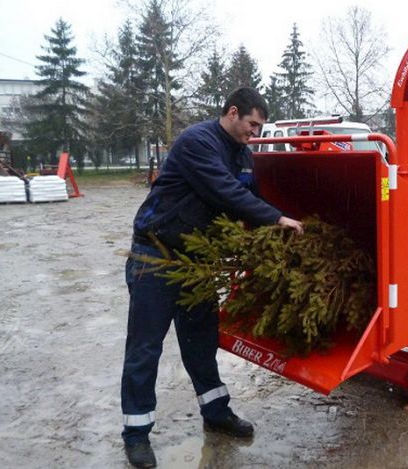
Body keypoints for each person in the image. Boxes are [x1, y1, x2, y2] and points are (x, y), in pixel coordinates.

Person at [120, 87, 303, 468]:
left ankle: (216, 413)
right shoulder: (197, 142)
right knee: (145, 349)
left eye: (259, 128)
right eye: (252, 125)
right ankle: (136, 433)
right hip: (156, 257)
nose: (254, 133)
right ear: (233, 112)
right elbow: (224, 192)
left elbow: (247, 198)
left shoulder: (244, 155)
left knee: (201, 341)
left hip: (197, 264)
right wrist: (276, 217)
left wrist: (272, 235)